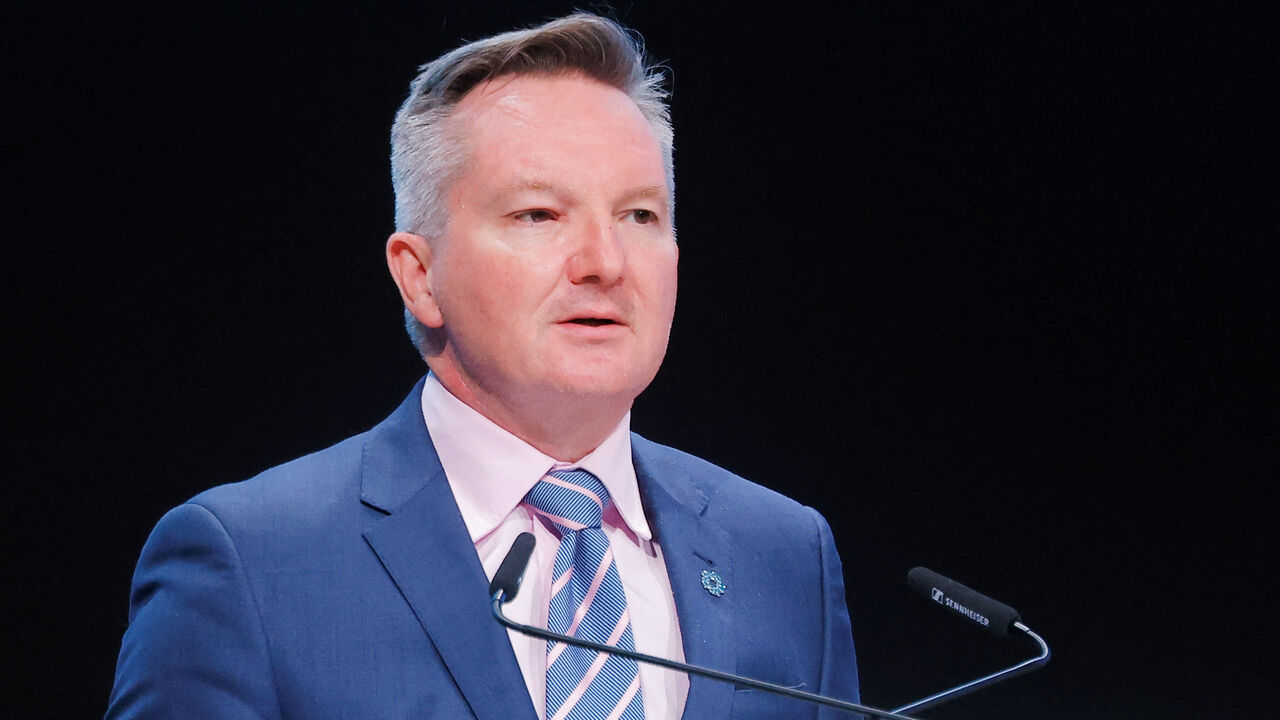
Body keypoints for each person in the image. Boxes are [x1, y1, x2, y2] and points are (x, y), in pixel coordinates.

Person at [106, 13, 860, 720]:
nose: (605, 262)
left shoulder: (782, 554)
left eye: (640, 216)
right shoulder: (251, 566)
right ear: (419, 276)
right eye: (539, 215)